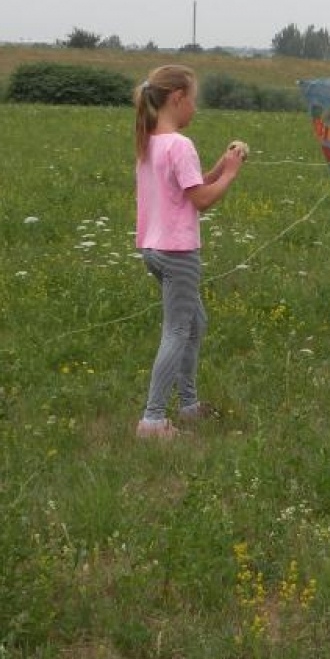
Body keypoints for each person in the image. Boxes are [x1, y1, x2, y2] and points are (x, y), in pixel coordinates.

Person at [133, 65, 247, 439]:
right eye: (193, 100)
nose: (195, 108)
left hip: (153, 247)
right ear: (178, 99)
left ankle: (189, 405)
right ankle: (152, 421)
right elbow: (201, 200)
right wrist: (229, 176)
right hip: (178, 252)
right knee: (178, 330)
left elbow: (190, 185)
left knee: (196, 323)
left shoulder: (150, 140)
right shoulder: (180, 145)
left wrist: (223, 165)